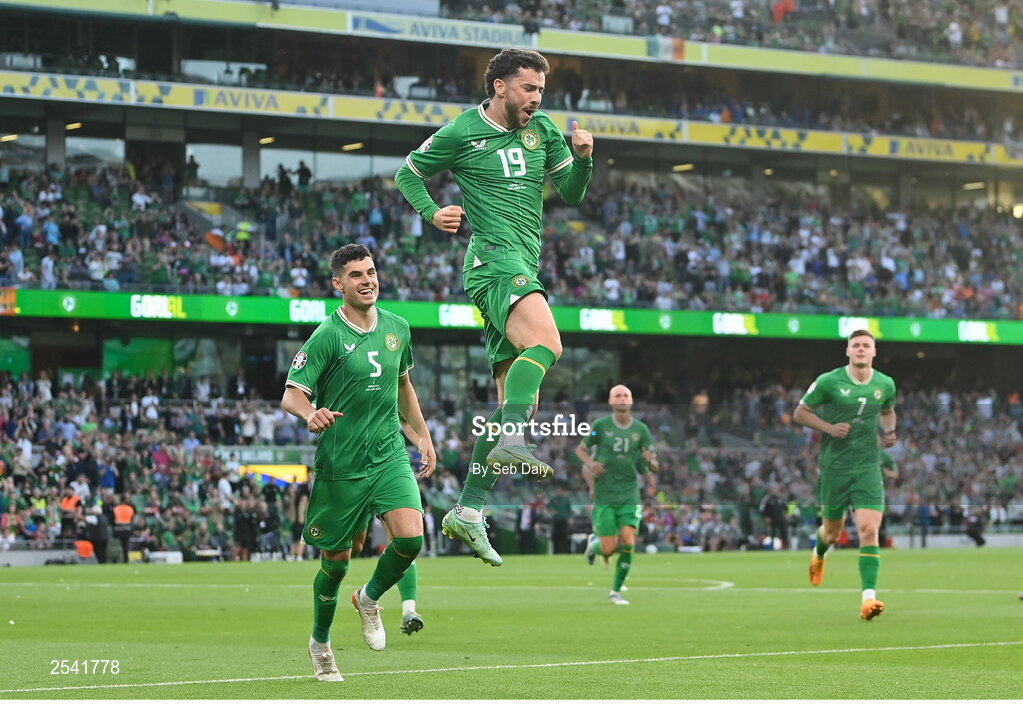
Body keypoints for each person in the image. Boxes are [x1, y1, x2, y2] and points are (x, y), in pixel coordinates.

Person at [394, 47, 594, 567]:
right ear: (500, 86)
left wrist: (585, 157)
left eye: (541, 91)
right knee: (548, 343)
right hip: (494, 261)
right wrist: (432, 211)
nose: (536, 99)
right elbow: (408, 173)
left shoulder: (544, 130)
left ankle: (468, 510)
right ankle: (512, 439)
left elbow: (570, 193)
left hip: (524, 261)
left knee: (517, 404)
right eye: (528, 88)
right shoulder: (462, 130)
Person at [281, 243, 435, 683]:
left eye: (371, 272)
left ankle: (368, 599)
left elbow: (403, 385)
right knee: (336, 561)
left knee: (410, 539)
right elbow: (291, 392)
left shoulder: (397, 328)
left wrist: (421, 435)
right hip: (342, 462)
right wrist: (310, 413)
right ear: (338, 284)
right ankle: (321, 644)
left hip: (388, 454)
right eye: (356, 275)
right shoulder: (327, 334)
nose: (367, 280)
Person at [793, 330, 897, 621]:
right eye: (856, 346)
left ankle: (868, 600)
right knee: (833, 532)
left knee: (868, 529)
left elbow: (888, 411)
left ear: (874, 352)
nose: (861, 349)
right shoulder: (829, 381)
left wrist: (889, 431)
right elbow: (800, 413)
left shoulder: (885, 383)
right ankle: (819, 552)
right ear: (847, 351)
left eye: (867, 345)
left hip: (867, 466)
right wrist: (829, 428)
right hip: (835, 467)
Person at [574, 385, 657, 606]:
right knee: (609, 548)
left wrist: (651, 464)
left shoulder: (641, 429)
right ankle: (594, 545)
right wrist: (591, 464)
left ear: (631, 400)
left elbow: (650, 464)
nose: (622, 399)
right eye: (617, 395)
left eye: (625, 395)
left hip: (630, 495)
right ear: (611, 401)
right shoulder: (599, 427)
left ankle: (615, 591)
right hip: (605, 495)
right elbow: (580, 449)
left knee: (629, 541)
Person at [350, 420, 425, 637]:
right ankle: (322, 633)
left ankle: (408, 609)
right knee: (352, 547)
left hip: (388, 467)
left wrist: (424, 441)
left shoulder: (390, 386)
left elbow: (406, 417)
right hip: (350, 470)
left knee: (404, 541)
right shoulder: (337, 388)